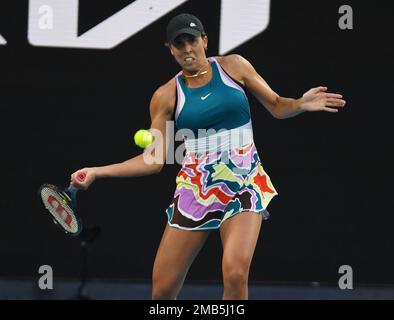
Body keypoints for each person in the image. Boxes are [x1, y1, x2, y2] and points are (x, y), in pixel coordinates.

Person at [70, 13, 346, 300]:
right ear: (171, 49)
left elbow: (277, 105)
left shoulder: (233, 66)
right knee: (162, 290)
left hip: (243, 182)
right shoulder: (165, 96)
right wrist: (97, 171)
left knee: (236, 272)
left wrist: (300, 104)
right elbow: (152, 160)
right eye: (179, 44)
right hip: (195, 190)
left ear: (204, 40)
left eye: (192, 40)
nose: (187, 49)